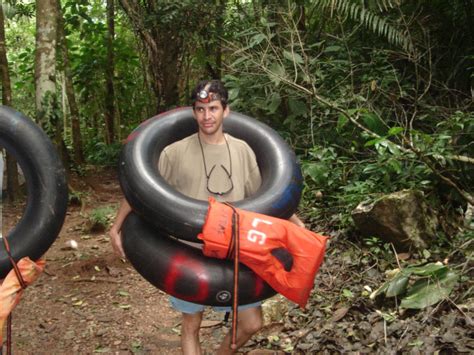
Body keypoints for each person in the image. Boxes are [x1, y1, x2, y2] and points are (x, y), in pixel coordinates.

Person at [109, 79, 304, 355]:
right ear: (193, 112)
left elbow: (266, 197)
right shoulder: (174, 152)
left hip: (235, 250)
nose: (206, 116)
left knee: (251, 323)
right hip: (191, 252)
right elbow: (142, 192)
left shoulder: (242, 150)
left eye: (213, 108)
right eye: (200, 109)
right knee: (191, 326)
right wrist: (117, 226)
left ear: (226, 111)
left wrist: (294, 221)